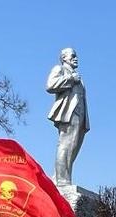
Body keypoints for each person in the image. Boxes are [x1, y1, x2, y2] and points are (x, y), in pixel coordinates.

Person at [46, 47, 89, 186]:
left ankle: (57, 176)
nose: (76, 58)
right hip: (69, 113)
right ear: (64, 58)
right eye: (73, 55)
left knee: (74, 146)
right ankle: (62, 181)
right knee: (65, 143)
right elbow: (50, 85)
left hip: (80, 113)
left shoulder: (77, 76)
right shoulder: (60, 69)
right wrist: (70, 79)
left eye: (76, 56)